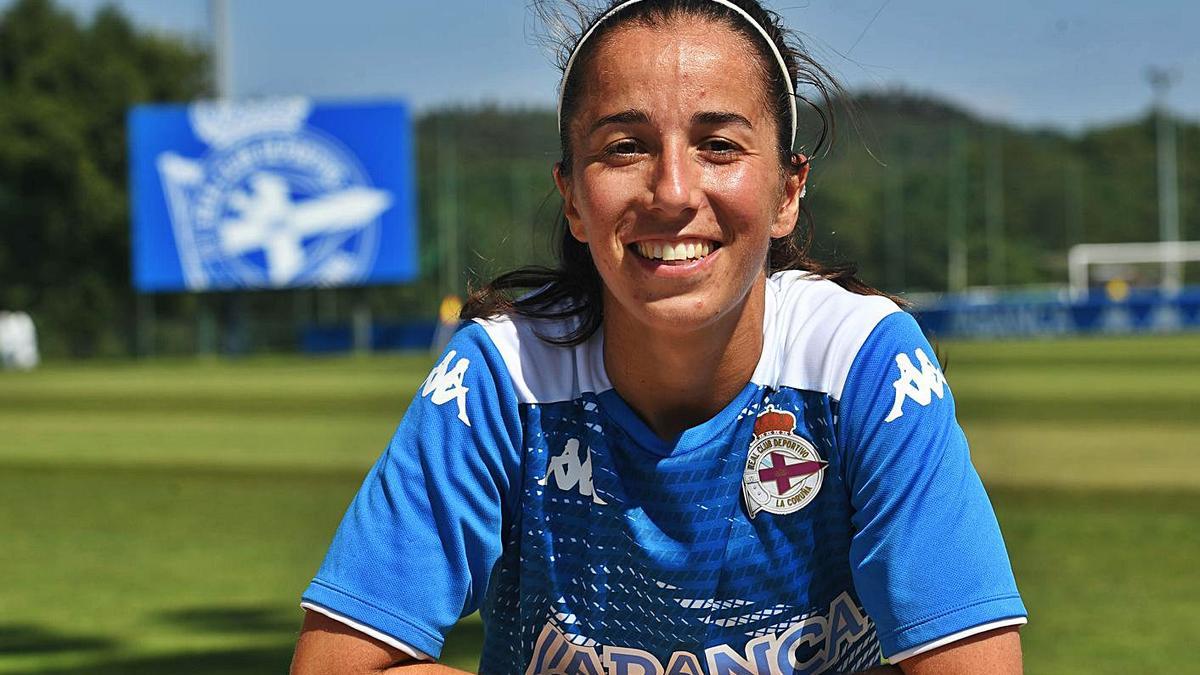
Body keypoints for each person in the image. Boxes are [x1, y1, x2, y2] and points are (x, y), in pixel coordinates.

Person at [291, 1, 1027, 672]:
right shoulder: (502, 375)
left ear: (789, 191)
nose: (673, 191)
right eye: (624, 147)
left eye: (718, 145)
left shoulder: (860, 361)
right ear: (573, 199)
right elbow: (333, 665)